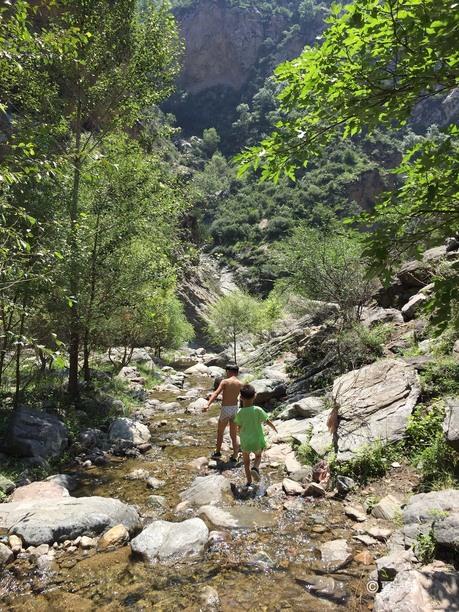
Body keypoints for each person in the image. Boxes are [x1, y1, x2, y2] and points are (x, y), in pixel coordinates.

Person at [234, 383, 278, 487]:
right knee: (258, 456)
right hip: (257, 440)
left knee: (246, 462)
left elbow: (238, 427)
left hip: (245, 440)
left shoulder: (239, 412)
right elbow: (267, 421)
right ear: (255, 396)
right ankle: (255, 468)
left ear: (241, 398)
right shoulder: (258, 410)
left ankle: (249, 481)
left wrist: (238, 433)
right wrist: (274, 428)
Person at [203, 363, 242, 461]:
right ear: (237, 373)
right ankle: (235, 455)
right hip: (235, 409)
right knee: (233, 435)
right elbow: (242, 397)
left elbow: (216, 393)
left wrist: (207, 404)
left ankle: (217, 452)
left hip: (226, 409)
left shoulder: (225, 382)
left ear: (228, 372)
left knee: (220, 432)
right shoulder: (240, 383)